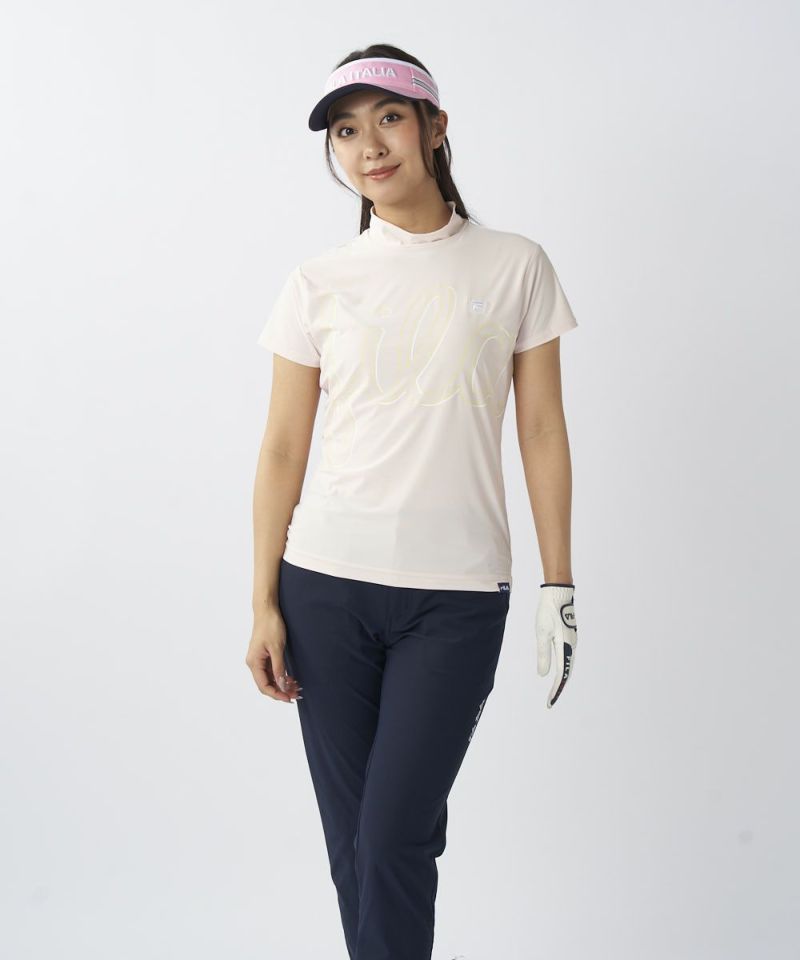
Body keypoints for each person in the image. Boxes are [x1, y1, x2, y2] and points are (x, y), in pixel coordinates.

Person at [247, 43, 580, 960]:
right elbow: (282, 449)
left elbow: (541, 429)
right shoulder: (319, 282)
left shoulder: (516, 265)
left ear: (435, 127)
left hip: (457, 597)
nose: (369, 147)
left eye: (389, 118)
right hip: (324, 586)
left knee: (395, 836)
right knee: (356, 850)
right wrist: (263, 600)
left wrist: (558, 584)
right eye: (344, 131)